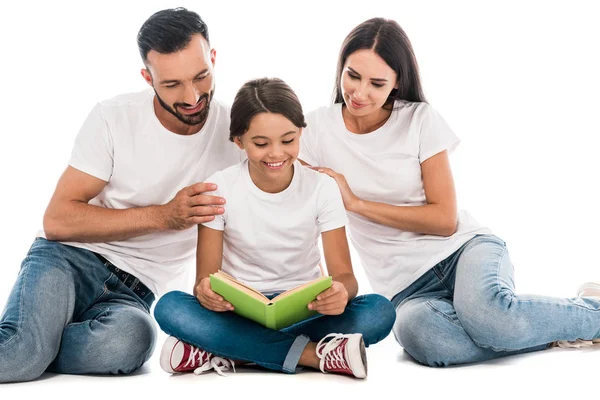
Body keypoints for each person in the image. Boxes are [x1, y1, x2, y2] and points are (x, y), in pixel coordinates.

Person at [299, 17, 600, 367]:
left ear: (396, 84)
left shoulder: (420, 120)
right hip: (405, 289)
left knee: (490, 317)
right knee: (428, 342)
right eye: (352, 75)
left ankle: (586, 313)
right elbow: (300, 207)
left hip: (462, 251)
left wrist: (356, 203)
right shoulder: (317, 128)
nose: (359, 93)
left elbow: (444, 220)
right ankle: (541, 328)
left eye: (376, 83)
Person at [0, 8, 243, 383]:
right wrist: (164, 216)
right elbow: (58, 220)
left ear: (213, 58)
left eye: (201, 77)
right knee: (18, 357)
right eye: (172, 84)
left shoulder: (238, 135)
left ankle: (39, 340)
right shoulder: (113, 118)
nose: (193, 96)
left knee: (128, 344)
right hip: (68, 262)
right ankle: (31, 345)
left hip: (134, 295)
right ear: (148, 78)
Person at [154, 77, 395, 378]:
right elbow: (205, 278)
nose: (276, 154)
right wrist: (205, 292)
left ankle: (226, 351)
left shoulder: (322, 188)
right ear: (239, 141)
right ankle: (316, 356)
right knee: (170, 307)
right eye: (260, 143)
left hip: (305, 309)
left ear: (301, 133)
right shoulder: (219, 187)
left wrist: (341, 293)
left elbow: (346, 276)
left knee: (379, 311)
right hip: (239, 311)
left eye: (288, 140)